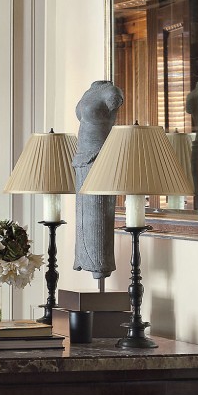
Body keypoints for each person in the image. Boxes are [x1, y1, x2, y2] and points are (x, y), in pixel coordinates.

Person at [72, 80, 124, 280]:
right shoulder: (90, 90)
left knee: (98, 213)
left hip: (99, 158)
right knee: (83, 213)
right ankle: (83, 260)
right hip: (82, 158)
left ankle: (100, 265)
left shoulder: (111, 92)